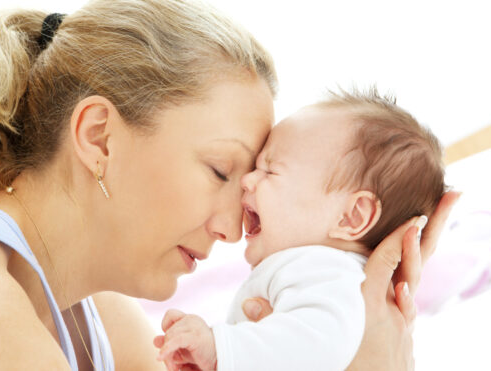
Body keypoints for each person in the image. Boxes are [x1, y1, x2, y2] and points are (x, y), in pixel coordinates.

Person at [0, 0, 459, 370]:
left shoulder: (100, 319)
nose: (230, 227)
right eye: (221, 171)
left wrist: (358, 322)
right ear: (98, 137)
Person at [155, 89, 446, 371]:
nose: (246, 180)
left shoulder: (327, 270)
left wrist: (218, 348)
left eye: (269, 170)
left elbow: (316, 346)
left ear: (352, 217)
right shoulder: (321, 272)